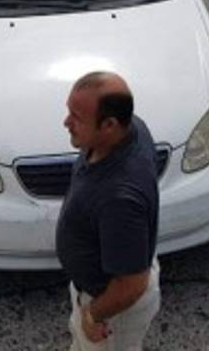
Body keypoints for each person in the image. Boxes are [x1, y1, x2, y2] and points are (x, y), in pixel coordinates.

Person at [57, 72, 161, 351]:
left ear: (109, 125)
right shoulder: (130, 129)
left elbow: (132, 284)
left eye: (76, 117)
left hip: (113, 309)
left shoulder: (120, 198)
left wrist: (93, 315)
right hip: (92, 289)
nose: (66, 122)